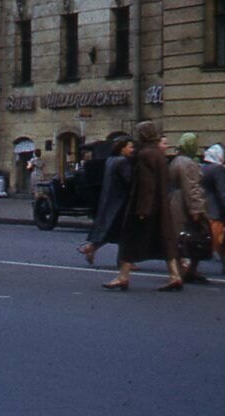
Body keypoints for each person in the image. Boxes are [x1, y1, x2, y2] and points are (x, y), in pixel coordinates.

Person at [105, 121, 183, 291]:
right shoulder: (158, 153)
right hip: (161, 205)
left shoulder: (144, 155)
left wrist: (142, 209)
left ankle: (123, 276)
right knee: (165, 240)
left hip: (145, 206)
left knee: (130, 239)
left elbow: (146, 184)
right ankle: (175, 275)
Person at [80, 138, 134, 265]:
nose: (132, 150)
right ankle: (124, 261)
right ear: (122, 148)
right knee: (125, 232)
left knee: (112, 230)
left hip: (110, 199)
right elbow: (129, 181)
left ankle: (92, 248)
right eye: (130, 147)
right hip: (121, 202)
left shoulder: (110, 160)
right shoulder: (122, 162)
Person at [167, 132, 210, 284]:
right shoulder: (188, 163)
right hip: (185, 203)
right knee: (195, 236)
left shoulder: (176, 160)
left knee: (180, 237)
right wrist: (196, 209)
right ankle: (189, 270)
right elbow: (191, 187)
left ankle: (181, 269)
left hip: (175, 200)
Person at [199, 143, 225, 275]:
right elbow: (221, 192)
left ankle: (193, 265)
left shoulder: (202, 168)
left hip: (203, 206)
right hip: (215, 209)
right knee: (220, 239)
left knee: (204, 237)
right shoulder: (218, 169)